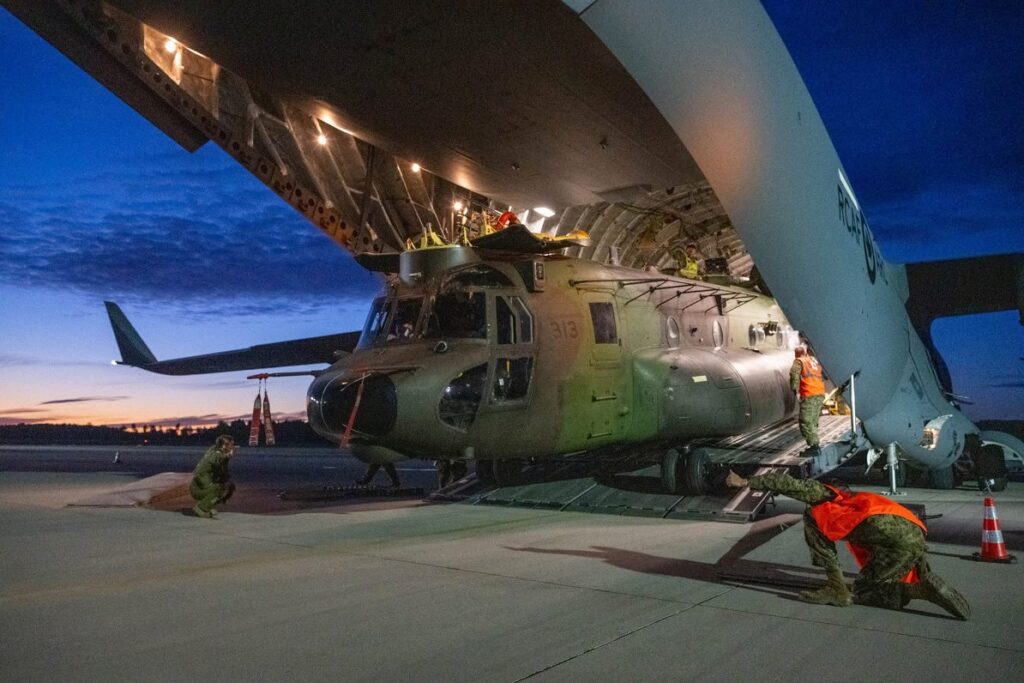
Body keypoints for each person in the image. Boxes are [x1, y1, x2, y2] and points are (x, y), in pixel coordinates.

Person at [725, 469, 970, 620]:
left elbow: (788, 484)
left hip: (896, 542)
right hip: (913, 535)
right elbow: (910, 540)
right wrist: (924, 572)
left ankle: (842, 589)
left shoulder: (826, 496)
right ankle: (925, 585)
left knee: (862, 590)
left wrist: (747, 481)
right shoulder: (860, 500)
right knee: (877, 574)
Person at [189, 435, 237, 518]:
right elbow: (217, 459)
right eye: (231, 445)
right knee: (219, 488)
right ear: (223, 446)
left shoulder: (215, 450)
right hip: (198, 488)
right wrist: (228, 456)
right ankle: (201, 509)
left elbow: (223, 471)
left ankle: (208, 506)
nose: (233, 447)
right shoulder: (216, 454)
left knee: (229, 486)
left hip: (202, 485)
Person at [792, 345, 826, 454]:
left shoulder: (798, 362)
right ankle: (815, 444)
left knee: (805, 421)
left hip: (809, 394)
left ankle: (814, 447)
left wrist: (795, 390)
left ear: (796, 354)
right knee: (813, 420)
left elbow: (794, 376)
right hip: (819, 393)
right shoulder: (813, 361)